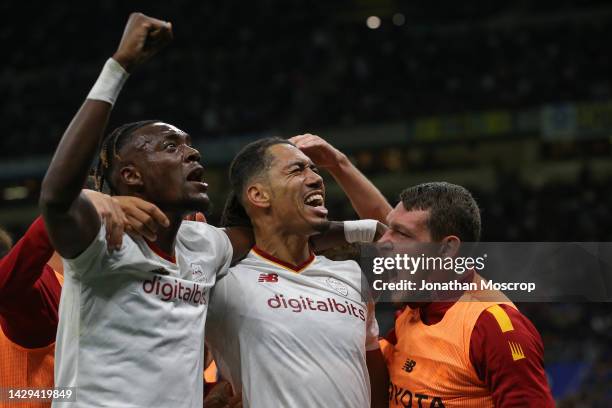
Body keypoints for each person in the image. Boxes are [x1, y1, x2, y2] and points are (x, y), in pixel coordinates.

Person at [39, 13, 236, 408]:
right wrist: (119, 67)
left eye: (189, 145)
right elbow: (56, 198)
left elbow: (285, 236)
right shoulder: (103, 239)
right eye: (170, 146)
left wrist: (361, 230)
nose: (192, 153)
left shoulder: (208, 245)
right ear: (130, 176)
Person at [292, 135, 555, 407]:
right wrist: (339, 164)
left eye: (401, 233)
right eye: (390, 227)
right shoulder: (420, 300)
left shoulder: (494, 329)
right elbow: (390, 224)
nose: (382, 241)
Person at [205, 137, 388, 408]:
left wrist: (340, 163)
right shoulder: (223, 282)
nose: (316, 178)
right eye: (297, 170)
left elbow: (372, 372)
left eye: (314, 169)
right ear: (258, 195)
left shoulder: (350, 274)